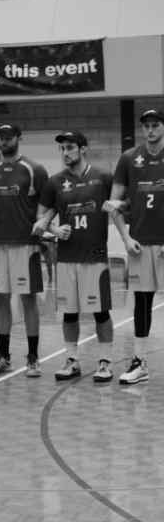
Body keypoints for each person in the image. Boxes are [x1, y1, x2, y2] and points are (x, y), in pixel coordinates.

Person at [34, 131, 114, 382]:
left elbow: (121, 205)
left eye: (70, 147)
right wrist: (55, 230)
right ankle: (72, 359)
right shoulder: (54, 182)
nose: (65, 153)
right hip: (67, 258)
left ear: (83, 149)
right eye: (62, 149)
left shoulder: (103, 177)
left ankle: (105, 362)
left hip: (95, 257)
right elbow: (40, 219)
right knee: (69, 313)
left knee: (101, 312)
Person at [0, 124, 48, 377]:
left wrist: (44, 224)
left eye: (9, 137)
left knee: (28, 300)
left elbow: (46, 206)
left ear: (18, 138)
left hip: (25, 245)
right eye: (1, 137)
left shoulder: (34, 169)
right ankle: (3, 356)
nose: (4, 141)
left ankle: (33, 357)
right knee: (0, 299)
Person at [104, 109, 164, 384]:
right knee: (141, 303)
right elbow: (113, 205)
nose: (150, 130)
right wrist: (126, 239)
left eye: (155, 125)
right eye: (146, 126)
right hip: (140, 242)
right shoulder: (129, 159)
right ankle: (140, 363)